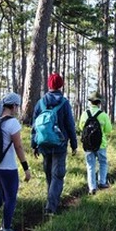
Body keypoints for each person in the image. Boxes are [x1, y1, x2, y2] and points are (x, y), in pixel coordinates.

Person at [0, 92, 32, 231]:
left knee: (1, 192)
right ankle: (6, 228)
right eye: (18, 106)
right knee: (10, 197)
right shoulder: (13, 123)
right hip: (7, 167)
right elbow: (18, 147)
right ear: (14, 106)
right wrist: (26, 168)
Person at [31, 73, 78, 215]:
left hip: (43, 144)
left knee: (49, 174)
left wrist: (34, 144)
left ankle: (51, 201)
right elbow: (70, 125)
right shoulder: (64, 103)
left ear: (48, 85)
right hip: (60, 145)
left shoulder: (41, 103)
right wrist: (74, 144)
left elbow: (34, 125)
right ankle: (51, 206)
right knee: (58, 175)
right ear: (61, 85)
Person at [78, 91, 113, 194]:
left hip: (88, 144)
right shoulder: (103, 115)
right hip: (101, 144)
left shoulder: (85, 114)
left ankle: (92, 187)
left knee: (90, 165)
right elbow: (108, 130)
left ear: (90, 102)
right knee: (103, 162)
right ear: (99, 103)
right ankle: (102, 182)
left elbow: (81, 127)